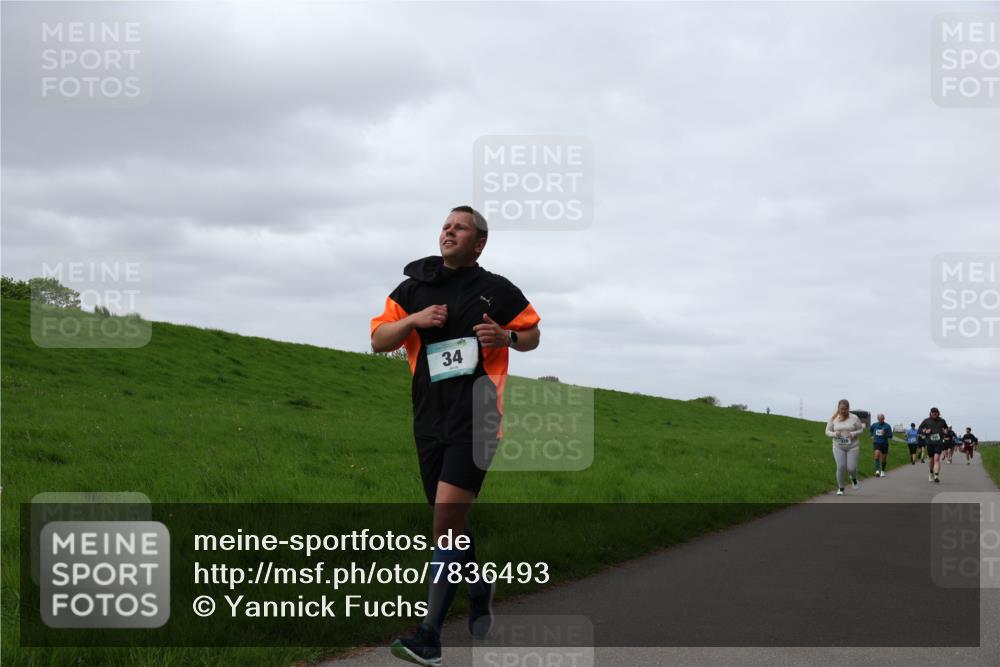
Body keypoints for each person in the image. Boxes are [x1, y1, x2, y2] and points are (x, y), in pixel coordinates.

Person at [371, 206, 541, 666]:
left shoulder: (497, 290)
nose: (449, 231)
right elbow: (379, 339)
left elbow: (533, 335)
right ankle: (479, 585)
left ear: (479, 242)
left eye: (460, 227)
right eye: (446, 225)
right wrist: (415, 320)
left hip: (478, 419)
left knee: (444, 525)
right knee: (451, 525)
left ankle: (429, 637)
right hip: (428, 421)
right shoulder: (413, 289)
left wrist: (506, 337)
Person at [826, 399, 863, 496]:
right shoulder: (833, 418)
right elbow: (827, 432)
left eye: (845, 409)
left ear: (848, 408)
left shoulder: (854, 418)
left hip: (853, 446)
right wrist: (834, 433)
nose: (843, 411)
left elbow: (861, 430)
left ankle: (854, 479)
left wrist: (854, 433)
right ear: (838, 408)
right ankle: (841, 488)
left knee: (851, 468)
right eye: (841, 409)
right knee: (841, 467)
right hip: (838, 446)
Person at [918, 407, 949, 484]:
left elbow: (946, 428)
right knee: (931, 460)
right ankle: (931, 472)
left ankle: (936, 476)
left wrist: (945, 431)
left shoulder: (942, 421)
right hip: (930, 443)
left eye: (936, 412)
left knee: (937, 459)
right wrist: (925, 431)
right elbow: (919, 429)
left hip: (938, 443)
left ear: (938, 413)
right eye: (933, 412)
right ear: (930, 413)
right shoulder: (926, 420)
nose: (934, 413)